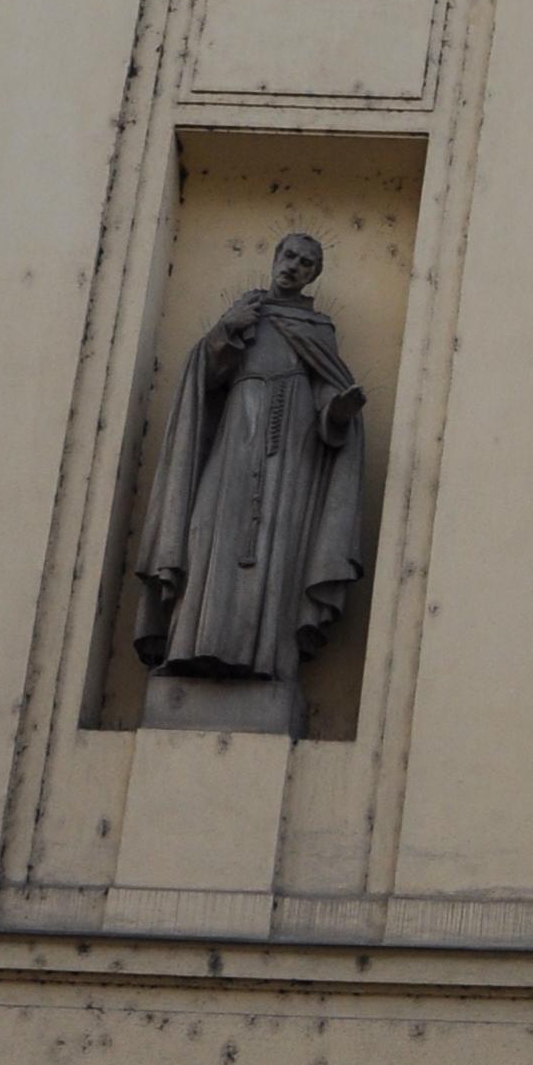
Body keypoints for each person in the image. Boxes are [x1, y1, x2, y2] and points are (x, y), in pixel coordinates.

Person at [134, 232, 367, 720]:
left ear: (314, 275)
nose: (295, 266)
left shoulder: (319, 329)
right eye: (290, 256)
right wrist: (225, 332)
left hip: (292, 453)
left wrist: (339, 411)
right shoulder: (247, 312)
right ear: (276, 257)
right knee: (209, 533)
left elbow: (329, 394)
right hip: (236, 439)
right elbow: (207, 378)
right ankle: (194, 646)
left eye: (307, 263)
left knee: (275, 548)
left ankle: (263, 658)